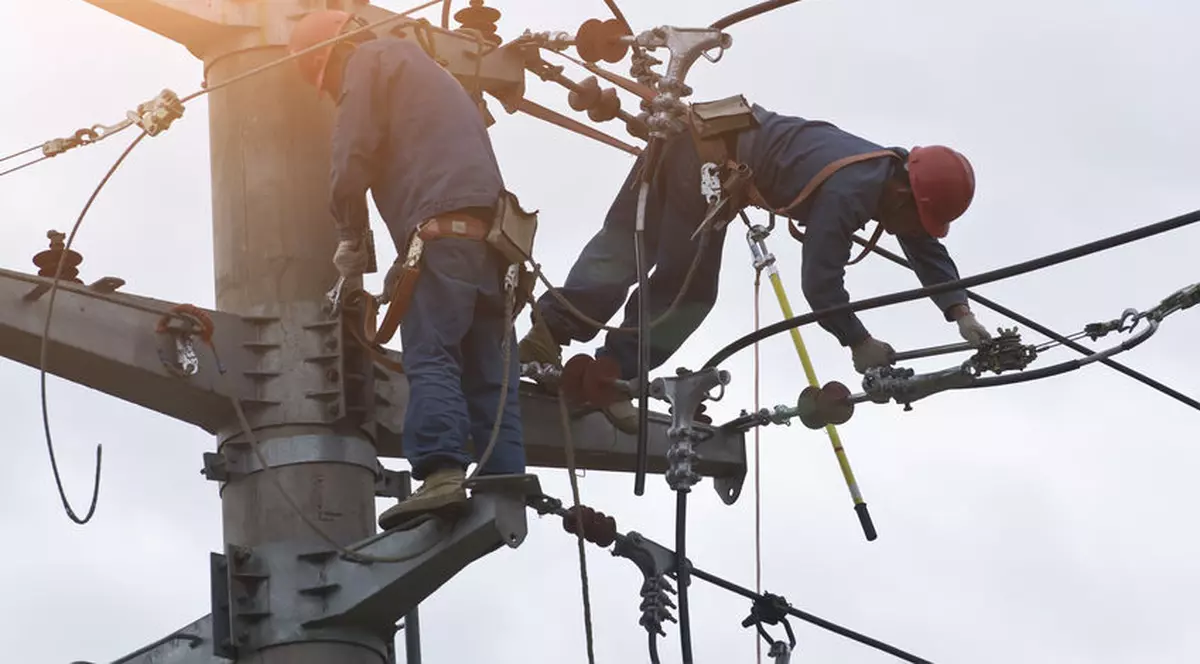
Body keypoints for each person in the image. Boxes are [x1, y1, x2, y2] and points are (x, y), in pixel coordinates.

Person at [519, 100, 991, 433]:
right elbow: (821, 284)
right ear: (907, 193)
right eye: (918, 215)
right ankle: (612, 374)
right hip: (709, 157)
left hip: (696, 134)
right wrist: (858, 340)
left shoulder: (886, 174)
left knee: (625, 243)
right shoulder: (852, 190)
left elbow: (923, 246)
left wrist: (960, 311)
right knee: (689, 289)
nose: (908, 228)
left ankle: (550, 330)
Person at [288, 10, 525, 529]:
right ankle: (505, 480)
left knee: (433, 352)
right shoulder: (433, 74)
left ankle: (442, 473)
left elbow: (351, 157)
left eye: (326, 83)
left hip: (442, 237)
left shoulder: (368, 62)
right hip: (496, 246)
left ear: (329, 60)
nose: (333, 93)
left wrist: (351, 237)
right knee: (489, 372)